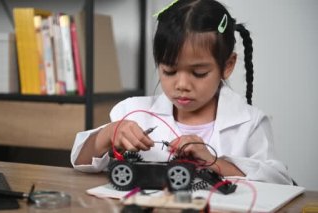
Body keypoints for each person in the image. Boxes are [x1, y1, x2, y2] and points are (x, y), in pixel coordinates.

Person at [70, 0, 292, 185]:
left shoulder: (249, 123)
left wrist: (214, 163)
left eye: (199, 73)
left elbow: (279, 181)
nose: (182, 84)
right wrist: (107, 135)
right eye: (170, 70)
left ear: (227, 65)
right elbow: (79, 160)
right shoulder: (134, 111)